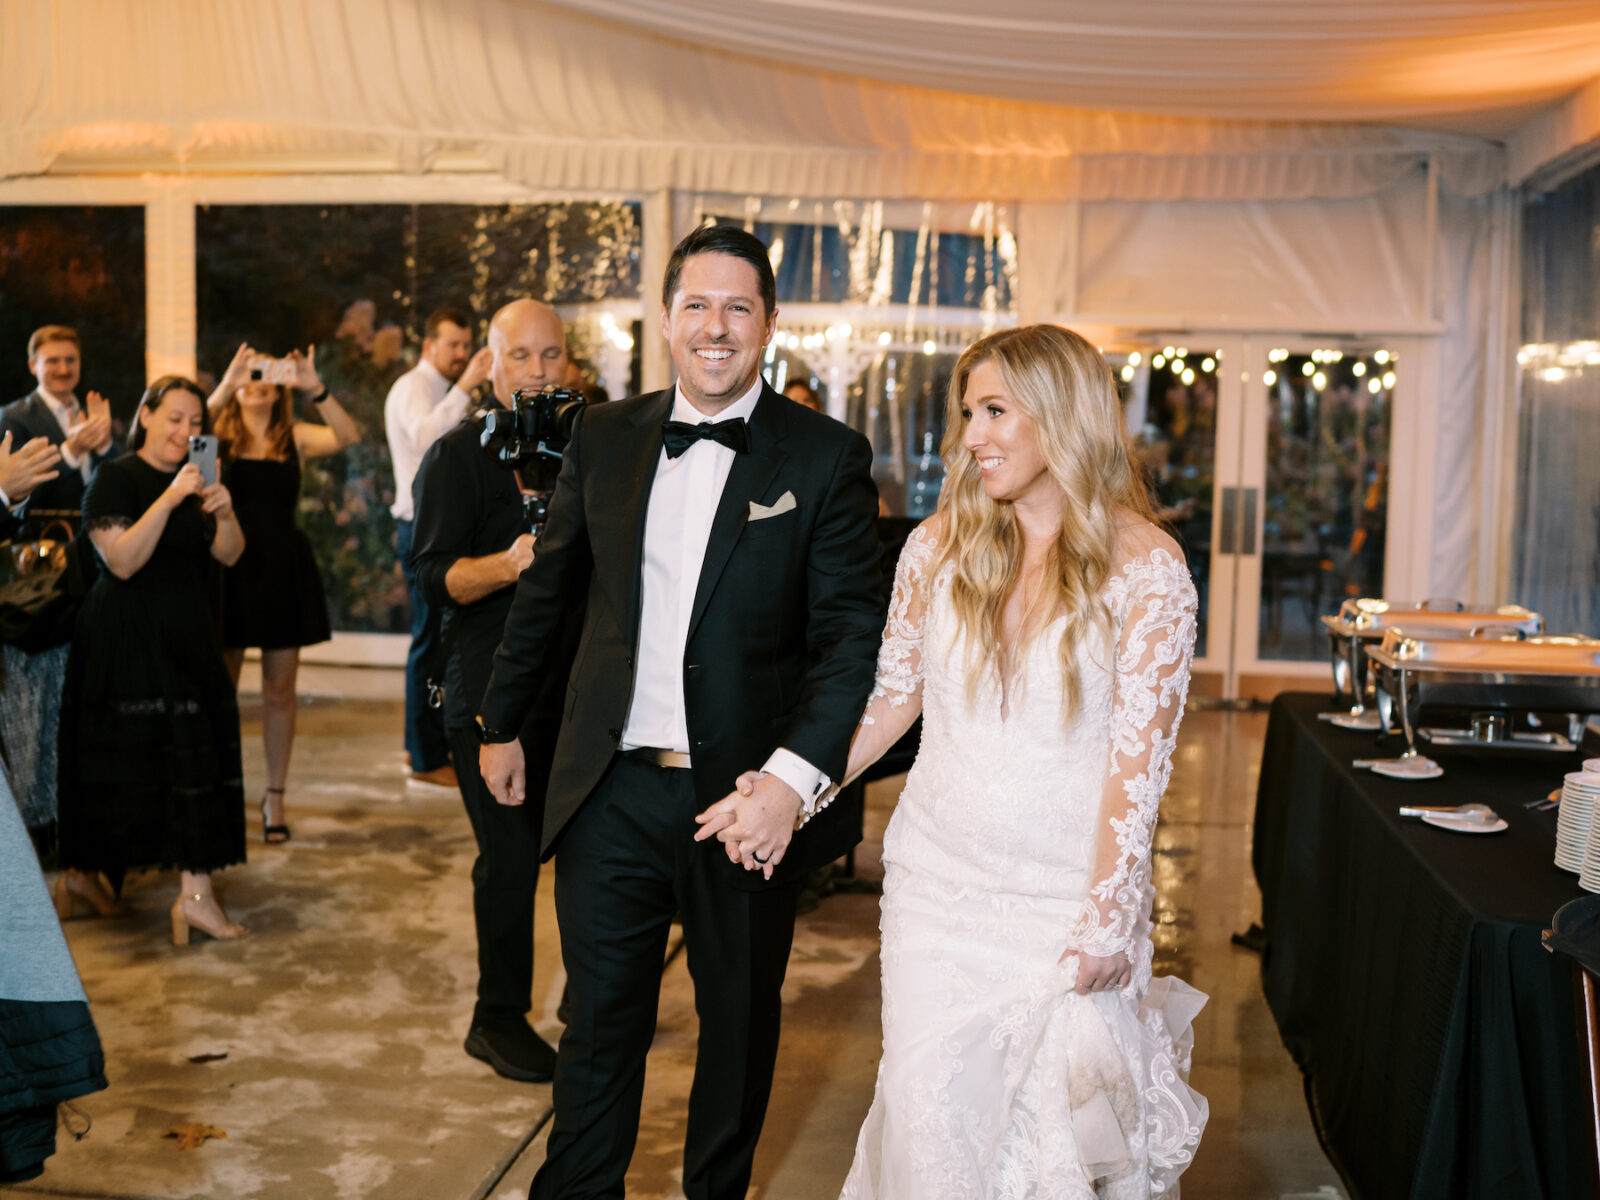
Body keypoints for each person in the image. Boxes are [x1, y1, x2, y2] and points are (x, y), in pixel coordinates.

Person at [477, 225, 885, 1200]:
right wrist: (499, 721)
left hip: (740, 804)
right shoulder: (606, 436)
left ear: (769, 325)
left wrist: (790, 782)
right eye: (696, 305)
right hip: (610, 791)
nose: (715, 327)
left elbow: (850, 644)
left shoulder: (824, 458)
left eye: (737, 307)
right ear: (664, 320)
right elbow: (548, 592)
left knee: (736, 1032)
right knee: (598, 1028)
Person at [788, 324, 1208, 1197]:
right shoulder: (936, 548)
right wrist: (793, 791)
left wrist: (1109, 912)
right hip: (935, 892)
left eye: (994, 411)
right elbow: (893, 698)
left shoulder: (1148, 571)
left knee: (1050, 1147)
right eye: (967, 413)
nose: (971, 435)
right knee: (928, 1117)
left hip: (1063, 910)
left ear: (1062, 416)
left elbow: (1140, 765)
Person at [412, 299, 581, 1083]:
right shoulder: (456, 456)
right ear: (493, 363)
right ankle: (497, 1018)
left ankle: (592, 1006)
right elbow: (433, 579)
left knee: (589, 859)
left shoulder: (589, 446)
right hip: (487, 697)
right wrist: (512, 563)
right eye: (523, 357)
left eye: (552, 357)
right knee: (510, 864)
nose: (540, 372)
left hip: (576, 695)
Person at [56, 375, 250, 945]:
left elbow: (230, 555)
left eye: (196, 423)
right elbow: (122, 561)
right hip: (124, 639)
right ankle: (84, 877)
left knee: (194, 762)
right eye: (174, 419)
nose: (185, 431)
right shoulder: (115, 479)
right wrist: (169, 498)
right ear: (146, 416)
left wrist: (226, 510)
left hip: (187, 633)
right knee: (126, 765)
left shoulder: (203, 478)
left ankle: (195, 895)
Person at [206, 343, 360, 843]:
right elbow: (183, 435)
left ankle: (275, 798)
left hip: (280, 569)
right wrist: (225, 384)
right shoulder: (214, 438)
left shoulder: (292, 436)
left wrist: (314, 387)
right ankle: (218, 793)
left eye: (267, 374)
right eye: (250, 375)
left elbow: (348, 434)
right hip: (228, 567)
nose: (258, 382)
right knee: (219, 692)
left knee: (279, 692)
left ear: (280, 385)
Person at [384, 308, 492, 790]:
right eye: (452, 345)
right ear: (428, 344)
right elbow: (429, 439)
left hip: (428, 527)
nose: (461, 355)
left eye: (465, 346)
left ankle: (427, 747)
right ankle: (424, 756)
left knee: (434, 642)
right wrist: (467, 385)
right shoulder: (413, 387)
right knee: (427, 646)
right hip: (417, 527)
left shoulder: (436, 389)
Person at [0, 325, 119, 533]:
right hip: (41, 545)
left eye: (70, 360)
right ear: (32, 365)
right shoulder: (13, 418)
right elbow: (16, 496)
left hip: (95, 545)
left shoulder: (91, 414)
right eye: (53, 361)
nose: (64, 370)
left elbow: (119, 483)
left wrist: (104, 445)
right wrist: (70, 452)